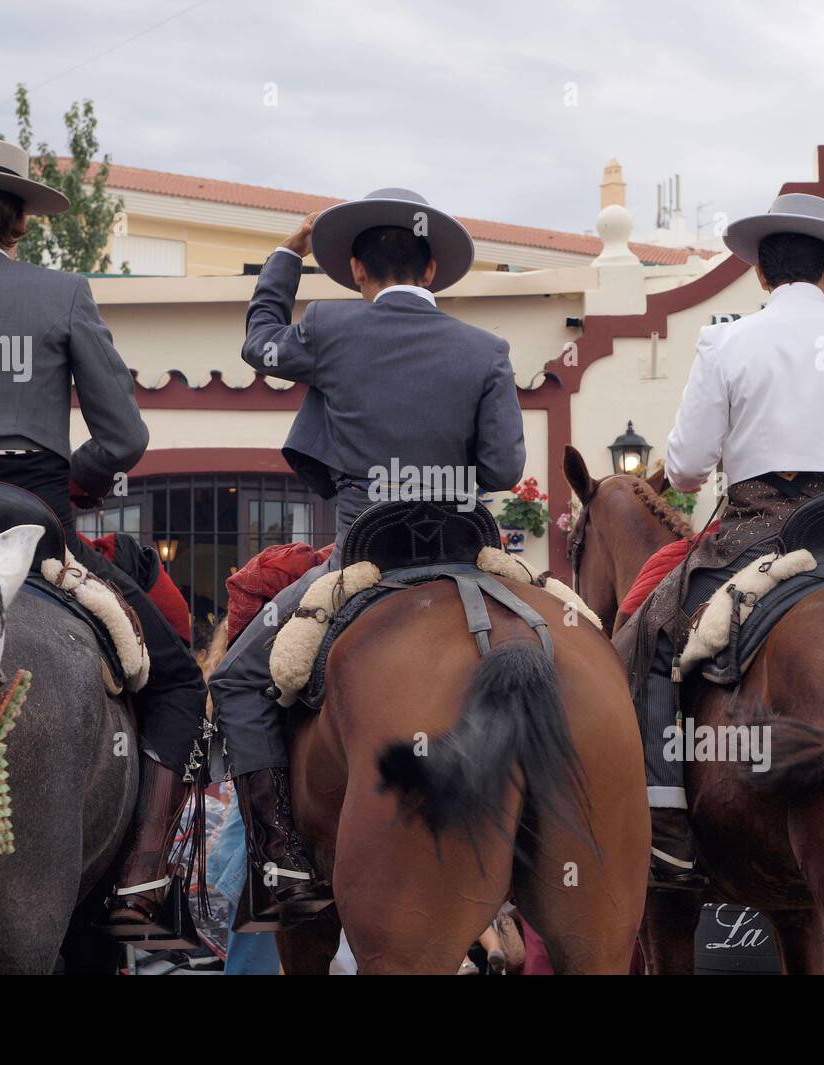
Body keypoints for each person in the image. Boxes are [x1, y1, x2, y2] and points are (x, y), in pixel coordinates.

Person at [0, 137, 207, 933]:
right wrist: (77, 475)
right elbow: (124, 437)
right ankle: (142, 873)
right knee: (176, 681)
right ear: (21, 220)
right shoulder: (63, 295)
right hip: (40, 520)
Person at [207, 188, 526, 924]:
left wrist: (285, 257)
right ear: (435, 267)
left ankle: (279, 853)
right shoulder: (485, 349)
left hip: (360, 563)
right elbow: (506, 467)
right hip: (468, 556)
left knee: (237, 677)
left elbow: (259, 342)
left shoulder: (329, 327)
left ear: (356, 268)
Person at [642, 193, 824, 887]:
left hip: (755, 535)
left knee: (654, 633)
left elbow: (683, 468)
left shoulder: (726, 339)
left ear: (760, 274)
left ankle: (666, 821)